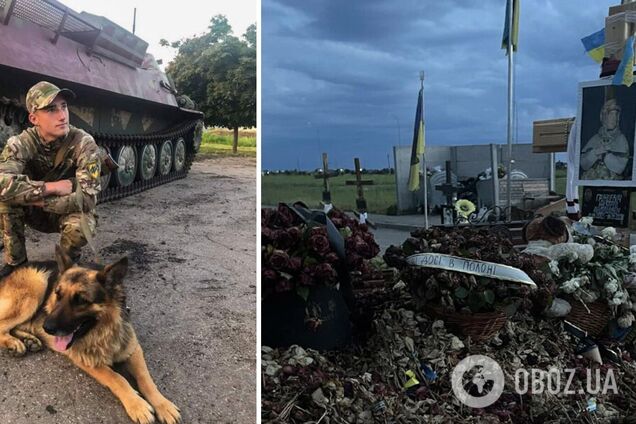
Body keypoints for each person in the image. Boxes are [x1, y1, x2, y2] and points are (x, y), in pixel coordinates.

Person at [0, 81, 102, 278]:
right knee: (4, 202)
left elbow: (88, 199)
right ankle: (16, 263)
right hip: (34, 209)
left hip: (66, 210)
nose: (62, 115)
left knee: (80, 225)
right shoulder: (21, 143)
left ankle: (67, 264)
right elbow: (2, 182)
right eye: (51, 109)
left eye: (64, 107)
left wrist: (41, 201)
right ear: (34, 118)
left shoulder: (83, 143)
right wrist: (50, 187)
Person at [580, 98, 630, 180]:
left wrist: (606, 155)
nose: (613, 118)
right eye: (610, 114)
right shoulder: (595, 138)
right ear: (603, 117)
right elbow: (583, 163)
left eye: (615, 115)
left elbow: (620, 168)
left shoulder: (621, 139)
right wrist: (595, 152)